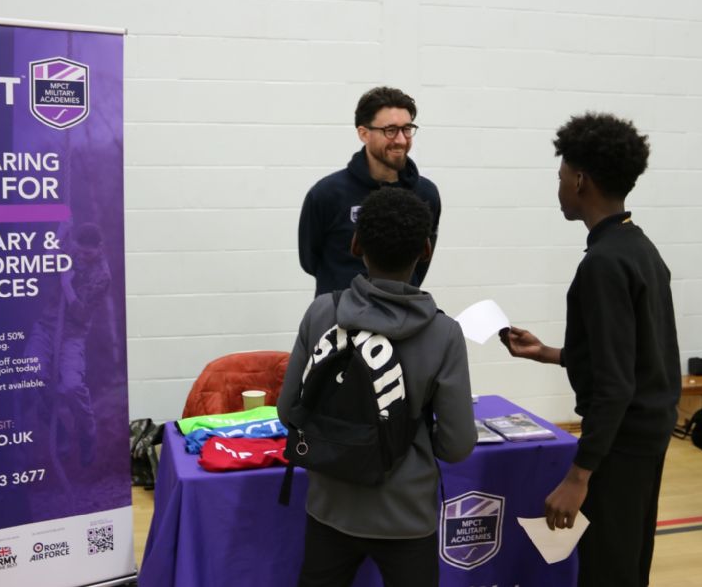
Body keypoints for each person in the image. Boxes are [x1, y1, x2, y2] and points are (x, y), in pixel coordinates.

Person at [499, 113, 681, 587]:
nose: (559, 186)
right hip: (645, 438)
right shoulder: (640, 248)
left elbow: (615, 384)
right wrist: (550, 353)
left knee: (608, 571)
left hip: (620, 448)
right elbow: (635, 358)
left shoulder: (603, 264)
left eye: (560, 176)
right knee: (628, 565)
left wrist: (578, 476)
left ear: (580, 181)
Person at [279, 187, 476, 587]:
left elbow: (288, 411)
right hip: (406, 513)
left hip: (330, 504)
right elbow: (457, 446)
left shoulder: (323, 312)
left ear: (355, 244)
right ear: (426, 250)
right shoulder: (444, 333)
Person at [298, 86, 441, 296]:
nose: (401, 140)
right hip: (340, 312)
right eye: (390, 130)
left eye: (407, 129)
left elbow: (420, 263)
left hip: (400, 313)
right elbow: (310, 260)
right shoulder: (327, 194)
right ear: (364, 134)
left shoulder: (426, 194)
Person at [25, 222, 111, 466]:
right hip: (46, 327)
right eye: (80, 251)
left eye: (88, 253)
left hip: (72, 335)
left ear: (99, 248)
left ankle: (87, 433)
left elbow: (82, 315)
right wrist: (59, 234)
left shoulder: (102, 275)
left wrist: (66, 284)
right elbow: (43, 263)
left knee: (71, 387)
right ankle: (58, 430)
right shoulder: (70, 249)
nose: (82, 256)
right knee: (31, 377)